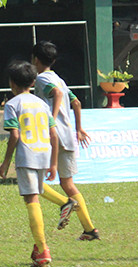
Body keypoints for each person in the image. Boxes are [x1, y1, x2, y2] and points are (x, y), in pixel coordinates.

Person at [31, 41, 100, 241]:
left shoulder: (42, 79)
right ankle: (90, 230)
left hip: (52, 136)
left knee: (34, 181)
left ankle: (63, 203)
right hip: (68, 136)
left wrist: (51, 119)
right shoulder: (58, 78)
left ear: (35, 59)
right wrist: (78, 128)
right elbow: (76, 102)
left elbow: (57, 94)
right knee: (68, 184)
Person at [0, 61, 59, 267]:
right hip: (44, 154)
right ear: (33, 82)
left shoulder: (12, 104)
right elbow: (53, 134)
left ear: (12, 84)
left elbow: (14, 135)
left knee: (32, 200)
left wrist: (6, 162)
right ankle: (38, 247)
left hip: (27, 155)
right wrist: (53, 163)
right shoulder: (42, 103)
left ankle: (43, 249)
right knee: (37, 195)